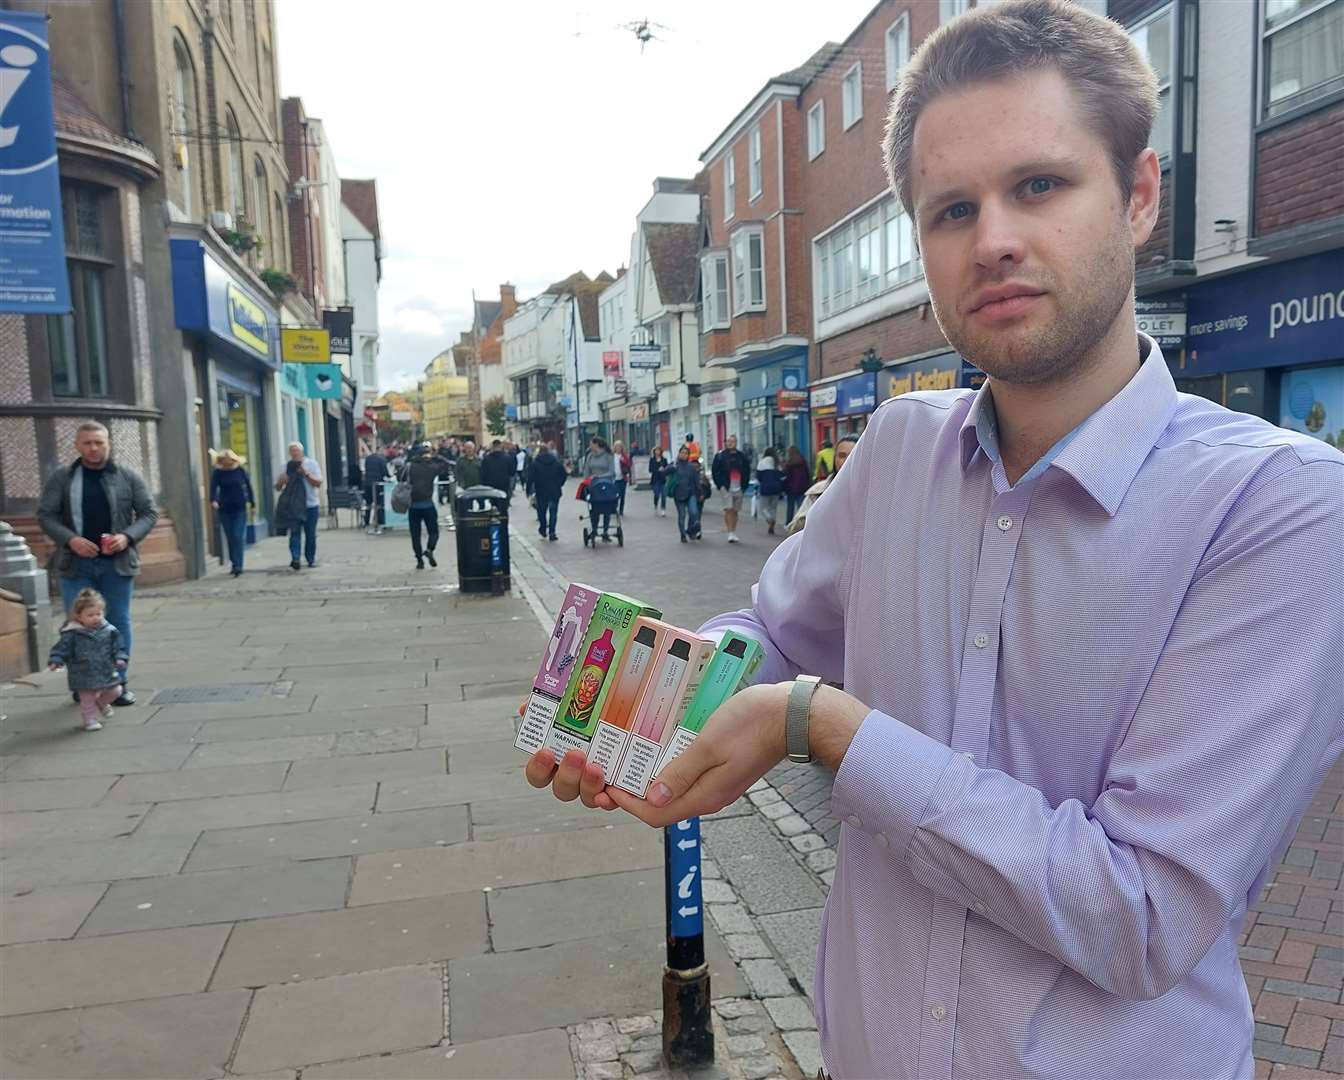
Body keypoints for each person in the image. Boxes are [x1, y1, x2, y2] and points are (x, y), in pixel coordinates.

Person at [524, 3, 1344, 1076]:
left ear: (1138, 196)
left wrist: (825, 727)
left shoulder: (1285, 509)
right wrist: (649, 702)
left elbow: (1140, 913)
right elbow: (776, 632)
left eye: (1039, 185)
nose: (993, 238)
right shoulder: (900, 445)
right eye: (951, 209)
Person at [37, 420, 156, 708]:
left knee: (117, 622)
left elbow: (148, 513)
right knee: (78, 626)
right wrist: (70, 540)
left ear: (108, 444)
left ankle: (118, 683)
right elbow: (46, 516)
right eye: (87, 443)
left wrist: (127, 537)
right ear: (78, 446)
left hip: (117, 565)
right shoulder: (62, 478)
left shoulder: (127, 476)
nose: (93, 448)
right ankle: (85, 685)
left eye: (99, 442)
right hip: (75, 565)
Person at [47, 588, 127, 732]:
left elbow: (118, 647)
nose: (96, 618)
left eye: (98, 614)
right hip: (82, 672)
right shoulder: (72, 633)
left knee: (116, 691)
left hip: (106, 670)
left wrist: (120, 657)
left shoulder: (110, 631)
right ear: (78, 616)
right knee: (87, 699)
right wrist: (56, 659)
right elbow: (61, 648)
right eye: (90, 615)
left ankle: (102, 702)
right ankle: (89, 720)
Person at [784, 435, 857, 537]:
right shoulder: (818, 492)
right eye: (842, 456)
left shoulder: (876, 492)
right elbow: (794, 530)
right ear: (835, 458)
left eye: (853, 455)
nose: (847, 461)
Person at [274, 442, 322, 570]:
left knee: (310, 534)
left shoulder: (311, 464)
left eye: (297, 451)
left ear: (302, 452)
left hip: (310, 504)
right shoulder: (285, 467)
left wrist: (306, 474)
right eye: (292, 451)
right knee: (294, 533)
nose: (295, 453)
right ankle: (295, 558)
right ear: (290, 453)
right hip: (293, 506)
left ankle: (310, 558)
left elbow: (318, 483)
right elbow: (278, 488)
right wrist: (281, 481)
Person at [400, 443, 447, 569]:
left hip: (413, 506)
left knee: (415, 535)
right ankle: (430, 549)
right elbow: (445, 464)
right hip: (428, 504)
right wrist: (436, 456)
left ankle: (419, 560)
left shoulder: (410, 466)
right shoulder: (432, 467)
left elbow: (400, 476)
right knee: (434, 532)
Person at [209, 449, 255, 577]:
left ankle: (239, 565)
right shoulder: (218, 473)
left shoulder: (240, 470)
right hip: (224, 508)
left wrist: (252, 504)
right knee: (230, 537)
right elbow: (213, 488)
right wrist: (213, 500)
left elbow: (248, 486)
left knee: (237, 536)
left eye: (229, 460)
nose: (227, 463)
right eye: (224, 461)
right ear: (220, 461)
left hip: (239, 507)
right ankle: (234, 562)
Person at [710, 435, 751, 544]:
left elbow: (747, 470)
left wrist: (745, 485)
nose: (730, 443)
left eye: (732, 441)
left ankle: (733, 530)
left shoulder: (741, 456)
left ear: (736, 442)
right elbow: (715, 471)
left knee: (735, 510)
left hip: (739, 486)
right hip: (726, 487)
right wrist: (720, 485)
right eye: (728, 441)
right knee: (729, 509)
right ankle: (730, 533)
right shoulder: (720, 456)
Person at [584, 436, 618, 539]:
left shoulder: (608, 455)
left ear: (596, 444)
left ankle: (605, 530)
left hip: (606, 484)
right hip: (593, 485)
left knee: (607, 507)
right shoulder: (590, 456)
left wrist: (599, 476)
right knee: (595, 508)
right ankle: (594, 529)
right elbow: (587, 470)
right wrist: (587, 481)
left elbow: (612, 472)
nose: (590, 446)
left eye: (591, 444)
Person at [531, 441, 566, 542]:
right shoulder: (556, 462)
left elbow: (531, 477)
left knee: (541, 511)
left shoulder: (535, 463)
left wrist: (529, 489)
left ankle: (543, 528)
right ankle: (552, 532)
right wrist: (559, 484)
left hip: (541, 491)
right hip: (554, 490)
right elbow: (563, 474)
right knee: (553, 512)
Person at [669, 445, 703, 543]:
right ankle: (683, 534)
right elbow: (665, 473)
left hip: (690, 493)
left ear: (688, 455)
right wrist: (669, 468)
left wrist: (699, 492)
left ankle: (692, 529)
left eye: (686, 453)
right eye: (682, 453)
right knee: (682, 515)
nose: (684, 455)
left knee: (694, 512)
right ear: (679, 454)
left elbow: (696, 481)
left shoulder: (691, 467)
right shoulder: (675, 465)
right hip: (678, 495)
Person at [754, 447, 784, 536]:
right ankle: (773, 522)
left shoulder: (762, 462)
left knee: (763, 508)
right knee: (773, 508)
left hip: (765, 488)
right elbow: (782, 476)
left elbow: (758, 477)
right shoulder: (777, 463)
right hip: (776, 488)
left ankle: (769, 519)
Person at [361, 446, 388, 533]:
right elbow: (385, 472)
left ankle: (366, 522)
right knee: (379, 504)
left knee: (368, 504)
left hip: (368, 484)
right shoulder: (381, 459)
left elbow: (366, 470)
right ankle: (380, 522)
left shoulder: (368, 459)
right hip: (377, 485)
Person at [783, 446, 810, 524]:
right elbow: (807, 474)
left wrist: (785, 487)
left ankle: (788, 523)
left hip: (791, 489)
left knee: (790, 508)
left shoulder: (789, 463)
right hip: (802, 488)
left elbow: (786, 476)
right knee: (801, 508)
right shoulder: (802, 461)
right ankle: (802, 523)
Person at [648, 447, 670, 517]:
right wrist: (657, 470)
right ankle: (655, 505)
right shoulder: (652, 460)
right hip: (655, 480)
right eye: (656, 451)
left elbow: (667, 468)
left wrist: (664, 469)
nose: (657, 452)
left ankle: (663, 509)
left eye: (659, 450)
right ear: (654, 452)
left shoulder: (664, 460)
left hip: (663, 479)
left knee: (664, 495)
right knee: (657, 494)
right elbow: (650, 469)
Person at [613, 440, 632, 515]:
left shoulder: (624, 456)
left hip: (623, 478)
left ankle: (621, 510)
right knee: (616, 495)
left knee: (622, 495)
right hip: (614, 479)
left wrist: (623, 461)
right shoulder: (612, 456)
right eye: (617, 447)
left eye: (620, 447)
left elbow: (629, 465)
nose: (618, 448)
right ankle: (614, 508)